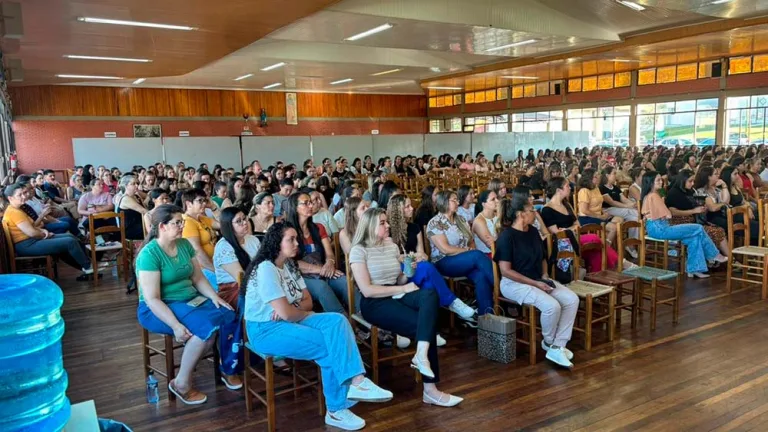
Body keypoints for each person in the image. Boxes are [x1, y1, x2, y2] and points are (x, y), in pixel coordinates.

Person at [243, 222, 393, 430]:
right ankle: (336, 410)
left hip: (292, 318)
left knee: (337, 321)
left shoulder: (289, 265)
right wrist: (292, 310)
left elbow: (306, 302)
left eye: (297, 238)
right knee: (327, 345)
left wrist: (292, 309)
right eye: (291, 239)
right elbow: (286, 313)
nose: (297, 243)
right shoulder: (266, 268)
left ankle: (358, 381)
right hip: (265, 329)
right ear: (277, 242)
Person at [349, 208, 463, 407]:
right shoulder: (359, 250)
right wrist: (402, 286)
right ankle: (431, 390)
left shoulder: (391, 245)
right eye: (383, 223)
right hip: (375, 302)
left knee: (429, 293)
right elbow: (367, 290)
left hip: (397, 292)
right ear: (370, 226)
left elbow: (400, 277)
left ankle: (421, 356)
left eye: (386, 222)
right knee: (425, 326)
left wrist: (408, 269)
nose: (388, 226)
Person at [136, 205, 240, 404]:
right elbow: (152, 299)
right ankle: (181, 383)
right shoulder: (149, 254)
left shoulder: (183, 244)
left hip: (190, 299)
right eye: (177, 223)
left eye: (182, 222)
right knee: (206, 329)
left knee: (228, 313)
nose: (182, 226)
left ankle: (227, 367)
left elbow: (198, 278)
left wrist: (215, 297)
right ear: (162, 226)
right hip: (159, 306)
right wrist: (176, 326)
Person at [495, 197, 578, 368]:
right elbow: (506, 271)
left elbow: (542, 257)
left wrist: (546, 275)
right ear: (521, 214)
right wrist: (535, 283)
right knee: (552, 306)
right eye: (532, 210)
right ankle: (549, 342)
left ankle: (558, 345)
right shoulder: (507, 236)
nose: (535, 213)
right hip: (514, 284)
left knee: (571, 299)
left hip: (537, 279)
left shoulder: (532, 231)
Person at [387, 195, 476, 322]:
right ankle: (453, 303)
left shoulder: (415, 228)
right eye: (407, 207)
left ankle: (430, 327)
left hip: (416, 266)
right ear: (398, 211)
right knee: (427, 268)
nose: (412, 208)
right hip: (399, 270)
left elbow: (423, 254)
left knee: (428, 281)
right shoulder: (388, 230)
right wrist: (406, 258)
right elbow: (390, 256)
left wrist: (418, 257)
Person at [641, 171, 728, 278]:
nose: (661, 182)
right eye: (658, 180)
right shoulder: (654, 195)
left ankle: (693, 269)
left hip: (657, 228)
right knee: (698, 228)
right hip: (660, 229)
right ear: (650, 183)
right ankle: (714, 254)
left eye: (661, 179)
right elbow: (668, 215)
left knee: (694, 238)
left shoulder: (652, 195)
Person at [3, 182, 96, 279]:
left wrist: (43, 231)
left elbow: (31, 226)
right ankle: (88, 268)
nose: (24, 196)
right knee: (70, 241)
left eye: (24, 193)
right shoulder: (14, 212)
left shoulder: (18, 209)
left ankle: (86, 267)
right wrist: (44, 234)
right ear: (10, 198)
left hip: (31, 240)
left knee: (70, 237)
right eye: (20, 195)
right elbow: (32, 233)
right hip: (26, 245)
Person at [541, 177, 631, 273]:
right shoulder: (547, 209)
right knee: (594, 238)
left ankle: (598, 274)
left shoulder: (567, 205)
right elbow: (556, 232)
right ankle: (622, 263)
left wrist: (569, 229)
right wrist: (571, 229)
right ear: (558, 190)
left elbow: (578, 225)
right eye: (567, 186)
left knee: (596, 251)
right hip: (562, 242)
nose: (570, 188)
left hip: (575, 236)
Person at [427, 190, 495, 316]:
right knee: (477, 255)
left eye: (457, 200)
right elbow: (445, 249)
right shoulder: (435, 222)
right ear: (444, 202)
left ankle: (486, 317)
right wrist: (468, 251)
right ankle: (501, 287)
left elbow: (471, 241)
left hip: (464, 260)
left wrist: (469, 250)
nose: (458, 202)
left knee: (481, 276)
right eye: (454, 200)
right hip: (444, 261)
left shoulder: (461, 219)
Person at [284, 192, 351, 314]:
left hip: (323, 269)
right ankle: (345, 322)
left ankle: (363, 317)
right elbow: (291, 262)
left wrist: (329, 263)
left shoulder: (318, 227)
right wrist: (321, 270)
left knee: (343, 280)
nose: (311, 205)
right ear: (295, 207)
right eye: (306, 203)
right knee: (321, 287)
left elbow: (329, 253)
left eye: (311, 202)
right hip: (299, 276)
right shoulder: (287, 231)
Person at [666, 171, 729, 257]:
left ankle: (722, 258)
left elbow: (694, 206)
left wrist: (702, 209)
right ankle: (723, 258)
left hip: (693, 221)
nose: (692, 184)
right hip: (680, 223)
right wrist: (694, 211)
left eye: (693, 181)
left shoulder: (690, 191)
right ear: (683, 180)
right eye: (690, 181)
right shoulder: (674, 193)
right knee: (715, 231)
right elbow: (672, 212)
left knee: (719, 230)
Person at [213, 207, 261, 308]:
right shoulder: (223, 247)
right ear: (229, 226)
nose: (244, 223)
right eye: (238, 221)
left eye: (244, 219)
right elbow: (241, 278)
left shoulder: (253, 240)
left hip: (256, 282)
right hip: (234, 290)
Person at [181, 188, 220, 288]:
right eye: (200, 201)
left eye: (205, 200)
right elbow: (196, 251)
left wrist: (213, 207)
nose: (204, 203)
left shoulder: (201, 218)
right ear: (189, 204)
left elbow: (224, 224)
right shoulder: (188, 222)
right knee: (226, 287)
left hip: (215, 263)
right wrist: (215, 271)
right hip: (202, 269)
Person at [599, 167, 639, 257]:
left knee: (635, 218)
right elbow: (612, 202)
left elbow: (623, 199)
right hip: (608, 209)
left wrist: (633, 204)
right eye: (613, 173)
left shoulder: (615, 187)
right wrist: (629, 206)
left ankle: (630, 244)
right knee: (634, 212)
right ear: (607, 175)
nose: (615, 175)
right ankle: (645, 222)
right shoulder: (602, 188)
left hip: (619, 210)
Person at [576, 168, 620, 246]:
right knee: (613, 228)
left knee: (619, 219)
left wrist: (604, 214)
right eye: (596, 176)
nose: (599, 177)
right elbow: (584, 210)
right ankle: (606, 249)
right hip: (586, 218)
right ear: (589, 179)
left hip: (597, 215)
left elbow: (599, 204)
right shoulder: (584, 191)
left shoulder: (596, 188)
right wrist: (600, 216)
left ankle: (606, 243)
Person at [114, 175, 148, 241]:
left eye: (137, 183)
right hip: (131, 230)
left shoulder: (137, 196)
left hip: (141, 225)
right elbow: (144, 211)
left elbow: (146, 208)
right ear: (126, 186)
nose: (137, 186)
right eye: (133, 184)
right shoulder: (125, 198)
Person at [471, 190, 498, 257]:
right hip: (486, 255)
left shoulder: (498, 215)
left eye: (497, 198)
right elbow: (491, 245)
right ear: (484, 204)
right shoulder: (479, 221)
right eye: (493, 199)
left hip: (500, 251)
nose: (497, 201)